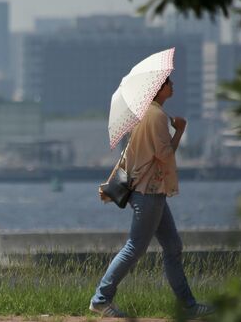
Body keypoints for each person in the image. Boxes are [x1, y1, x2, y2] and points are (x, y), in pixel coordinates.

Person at [89, 76, 215, 319]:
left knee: (172, 246)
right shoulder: (156, 116)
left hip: (151, 192)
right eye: (169, 83)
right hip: (148, 193)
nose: (173, 86)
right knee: (134, 248)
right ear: (160, 89)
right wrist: (180, 131)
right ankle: (101, 299)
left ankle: (188, 306)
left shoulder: (146, 114)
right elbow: (165, 154)